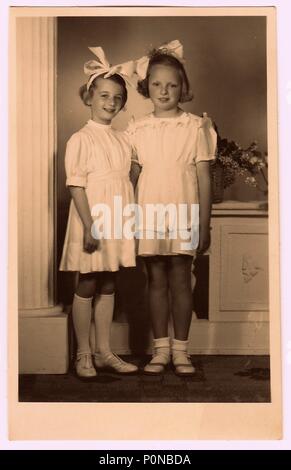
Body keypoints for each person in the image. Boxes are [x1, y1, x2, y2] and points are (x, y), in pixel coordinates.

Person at [128, 40, 217, 376]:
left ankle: (182, 351)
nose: (164, 91)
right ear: (146, 87)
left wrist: (203, 223)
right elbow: (132, 177)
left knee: (182, 279)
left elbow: (204, 178)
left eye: (171, 85)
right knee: (155, 280)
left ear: (183, 88)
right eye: (156, 84)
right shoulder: (137, 127)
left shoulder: (196, 127)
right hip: (149, 210)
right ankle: (160, 350)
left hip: (183, 209)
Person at [60, 47, 138, 378]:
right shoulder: (81, 138)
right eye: (104, 95)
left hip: (117, 216)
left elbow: (129, 177)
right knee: (88, 281)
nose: (111, 102)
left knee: (109, 282)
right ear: (89, 97)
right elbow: (77, 186)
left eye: (117, 97)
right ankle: (84, 354)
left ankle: (105, 352)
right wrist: (90, 225)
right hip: (92, 218)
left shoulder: (123, 139)